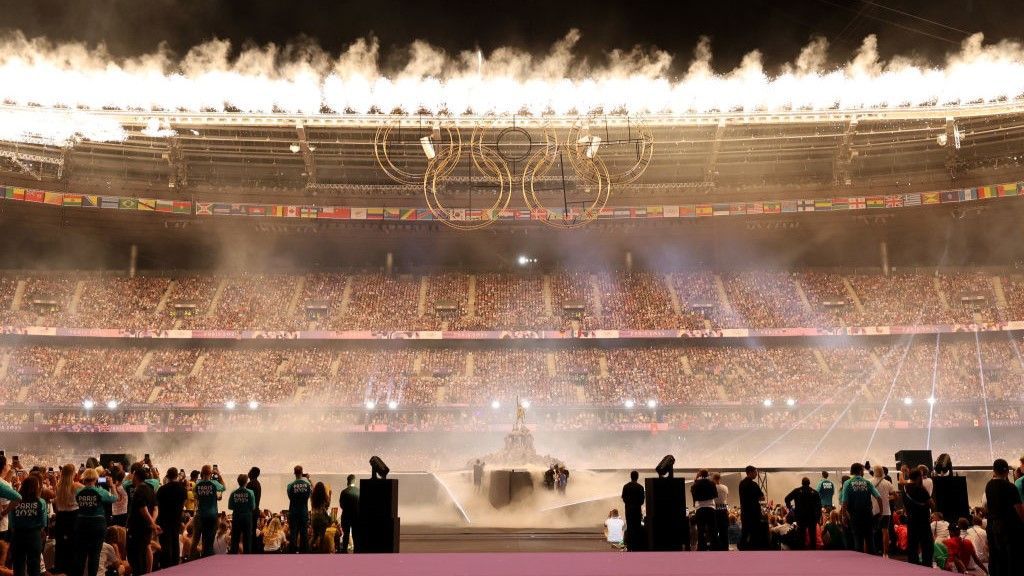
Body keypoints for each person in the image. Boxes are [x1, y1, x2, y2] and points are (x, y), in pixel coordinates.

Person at [72, 468, 117, 576]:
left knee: (80, 555)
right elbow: (115, 498)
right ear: (96, 479)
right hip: (97, 525)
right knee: (95, 555)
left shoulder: (79, 492)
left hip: (81, 524)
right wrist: (112, 486)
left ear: (84, 479)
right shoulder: (100, 491)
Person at [984, 459, 1024, 576]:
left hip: (992, 525)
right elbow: (1019, 510)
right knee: (1010, 557)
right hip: (1008, 527)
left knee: (996, 556)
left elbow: (987, 506)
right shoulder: (1011, 487)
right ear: (1006, 471)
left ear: (994, 471)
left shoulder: (989, 485)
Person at [839, 462, 881, 554]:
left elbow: (844, 501)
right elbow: (879, 497)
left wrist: (843, 516)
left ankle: (860, 564)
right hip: (867, 515)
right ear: (859, 470)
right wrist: (881, 512)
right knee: (870, 540)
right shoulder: (867, 482)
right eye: (862, 470)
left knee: (858, 540)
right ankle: (873, 563)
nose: (863, 472)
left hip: (855, 516)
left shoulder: (847, 483)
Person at [9, 476, 45, 576]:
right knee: (34, 566)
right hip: (34, 535)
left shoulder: (16, 501)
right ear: (36, 487)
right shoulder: (40, 502)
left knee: (18, 565)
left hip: (18, 535)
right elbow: (42, 523)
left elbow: (12, 522)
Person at [126, 467, 159, 576]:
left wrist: (152, 523)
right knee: (147, 546)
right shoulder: (150, 488)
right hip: (147, 526)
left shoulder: (139, 490)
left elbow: (143, 509)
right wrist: (152, 522)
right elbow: (155, 508)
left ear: (136, 476)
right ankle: (149, 572)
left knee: (134, 553)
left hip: (137, 527)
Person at [902, 468, 935, 567]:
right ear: (918, 477)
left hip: (911, 519)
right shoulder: (921, 489)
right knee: (927, 544)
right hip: (923, 520)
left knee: (912, 543)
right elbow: (932, 504)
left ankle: (913, 564)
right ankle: (927, 564)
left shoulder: (904, 488)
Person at [53, 463, 82, 575]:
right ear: (73, 473)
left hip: (61, 519)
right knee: (74, 547)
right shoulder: (77, 486)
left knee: (60, 547)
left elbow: (56, 506)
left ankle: (60, 571)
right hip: (73, 519)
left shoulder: (58, 486)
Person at [155, 467, 187, 568]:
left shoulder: (162, 489)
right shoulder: (182, 489)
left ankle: (166, 564)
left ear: (167, 476)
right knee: (175, 540)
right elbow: (183, 504)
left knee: (165, 542)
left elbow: (157, 504)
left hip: (164, 519)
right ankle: (175, 563)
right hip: (176, 518)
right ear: (177, 475)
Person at [193, 465, 225, 557]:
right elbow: (223, 487)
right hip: (212, 515)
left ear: (201, 473)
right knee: (209, 540)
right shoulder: (214, 483)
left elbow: (196, 496)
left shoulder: (198, 484)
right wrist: (218, 475)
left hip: (201, 515)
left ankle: (202, 557)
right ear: (211, 473)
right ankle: (208, 558)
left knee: (202, 539)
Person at [784, 477, 821, 550]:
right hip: (812, 517)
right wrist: (818, 518)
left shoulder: (797, 491)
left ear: (802, 483)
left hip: (800, 517)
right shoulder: (814, 492)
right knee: (812, 536)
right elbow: (819, 506)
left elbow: (786, 498)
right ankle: (813, 552)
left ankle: (801, 553)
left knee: (801, 537)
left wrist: (790, 508)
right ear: (809, 483)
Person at [738, 465, 765, 550]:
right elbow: (762, 497)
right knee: (755, 533)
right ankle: (753, 549)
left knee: (745, 532)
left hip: (745, 512)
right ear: (750, 472)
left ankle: (742, 549)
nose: (756, 474)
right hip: (754, 513)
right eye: (755, 472)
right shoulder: (754, 484)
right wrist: (756, 497)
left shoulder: (741, 484)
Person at [286, 465, 312, 553]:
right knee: (304, 534)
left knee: (293, 533)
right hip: (304, 511)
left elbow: (290, 497)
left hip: (293, 511)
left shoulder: (290, 485)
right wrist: (308, 479)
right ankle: (304, 552)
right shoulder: (307, 485)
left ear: (294, 473)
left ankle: (292, 552)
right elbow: (310, 495)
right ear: (302, 472)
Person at [871, 464, 895, 558]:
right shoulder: (887, 483)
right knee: (885, 531)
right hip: (886, 510)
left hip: (873, 510)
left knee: (872, 531)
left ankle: (873, 551)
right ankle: (885, 553)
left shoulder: (870, 482)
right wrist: (888, 498)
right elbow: (896, 496)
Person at [228, 474, 256, 554]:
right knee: (247, 538)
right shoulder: (250, 492)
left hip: (236, 517)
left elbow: (230, 507)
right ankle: (247, 558)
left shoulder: (233, 493)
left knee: (235, 538)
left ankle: (234, 556)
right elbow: (253, 507)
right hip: (247, 517)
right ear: (246, 482)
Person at [690, 470, 718, 551]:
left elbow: (693, 493)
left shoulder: (696, 484)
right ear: (708, 474)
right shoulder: (712, 483)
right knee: (712, 529)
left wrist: (696, 477)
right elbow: (715, 495)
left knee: (701, 530)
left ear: (700, 475)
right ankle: (715, 548)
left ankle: (702, 548)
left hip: (700, 509)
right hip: (710, 508)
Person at [620, 470, 646, 552]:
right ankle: (636, 545)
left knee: (630, 527)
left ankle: (629, 545)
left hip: (628, 510)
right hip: (636, 510)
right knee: (637, 527)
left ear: (630, 477)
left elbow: (623, 498)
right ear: (637, 477)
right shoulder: (640, 487)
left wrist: (629, 504)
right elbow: (642, 501)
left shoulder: (626, 486)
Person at [339, 475, 359, 554]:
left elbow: (341, 505)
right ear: (355, 481)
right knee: (355, 535)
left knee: (346, 535)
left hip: (346, 516)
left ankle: (344, 550)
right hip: (356, 517)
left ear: (347, 481)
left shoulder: (344, 492)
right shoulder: (359, 491)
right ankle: (357, 550)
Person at [310, 482, 331, 553]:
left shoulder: (313, 496)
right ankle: (320, 552)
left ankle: (308, 550)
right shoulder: (325, 496)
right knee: (321, 537)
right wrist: (330, 494)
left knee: (314, 536)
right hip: (322, 518)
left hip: (314, 518)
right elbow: (327, 505)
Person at [712, 472, 730, 551]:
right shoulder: (725, 487)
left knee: (715, 530)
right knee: (724, 530)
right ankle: (725, 547)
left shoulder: (712, 487)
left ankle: (716, 548)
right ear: (720, 478)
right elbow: (726, 497)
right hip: (723, 509)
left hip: (715, 509)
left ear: (713, 479)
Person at [247, 467, 262, 549]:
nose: (248, 472)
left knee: (249, 532)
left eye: (249, 471)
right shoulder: (258, 484)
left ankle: (251, 549)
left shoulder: (250, 484)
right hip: (255, 510)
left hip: (250, 511)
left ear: (252, 473)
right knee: (252, 530)